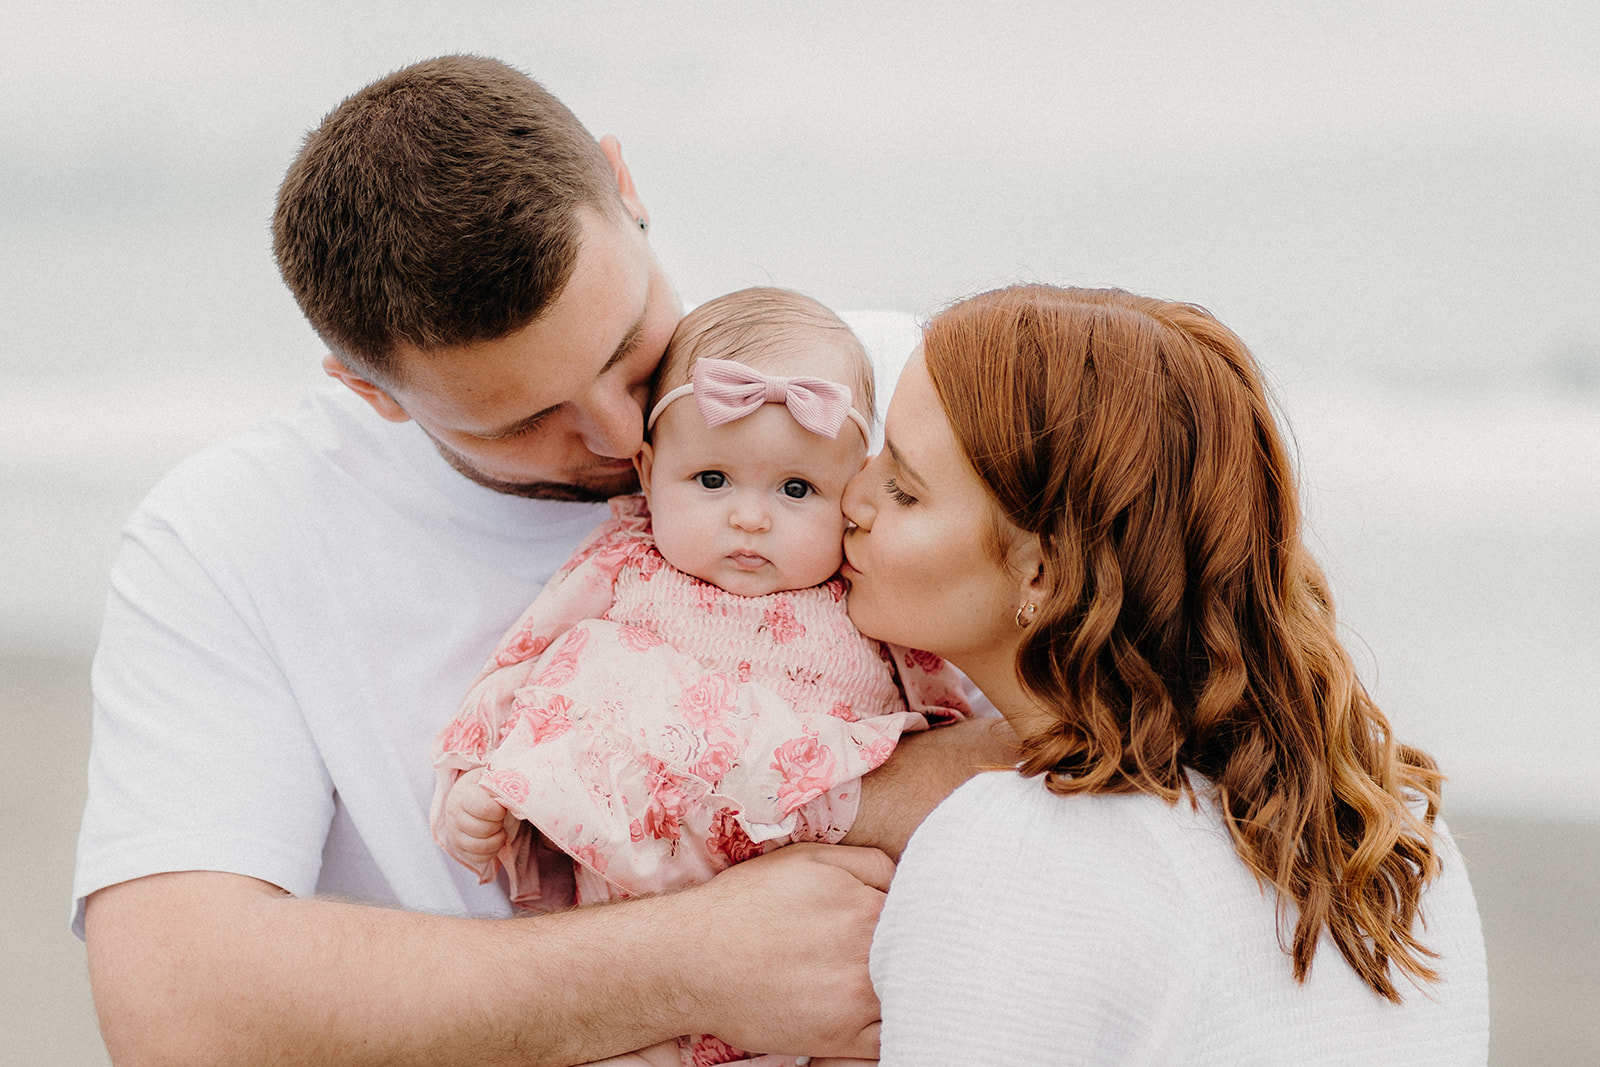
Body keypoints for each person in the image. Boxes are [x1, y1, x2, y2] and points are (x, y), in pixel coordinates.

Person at [72, 55, 1010, 1066]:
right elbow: (177, 1011)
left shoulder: (876, 388)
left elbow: (1121, 711)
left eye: (625, 347)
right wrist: (689, 959)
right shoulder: (228, 539)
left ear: (626, 188)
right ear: (369, 390)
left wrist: (800, 792)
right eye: (526, 419)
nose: (619, 436)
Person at [841, 284, 1491, 1064]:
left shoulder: (1018, 852)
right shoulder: (1395, 832)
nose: (851, 497)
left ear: (1043, 570)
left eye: (905, 488)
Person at [435, 287, 978, 1067]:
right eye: (712, 481)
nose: (751, 518)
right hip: (641, 933)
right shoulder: (626, 566)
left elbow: (934, 700)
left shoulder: (860, 597)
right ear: (650, 472)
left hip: (819, 944)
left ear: (853, 493)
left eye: (797, 490)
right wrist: (482, 777)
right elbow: (525, 666)